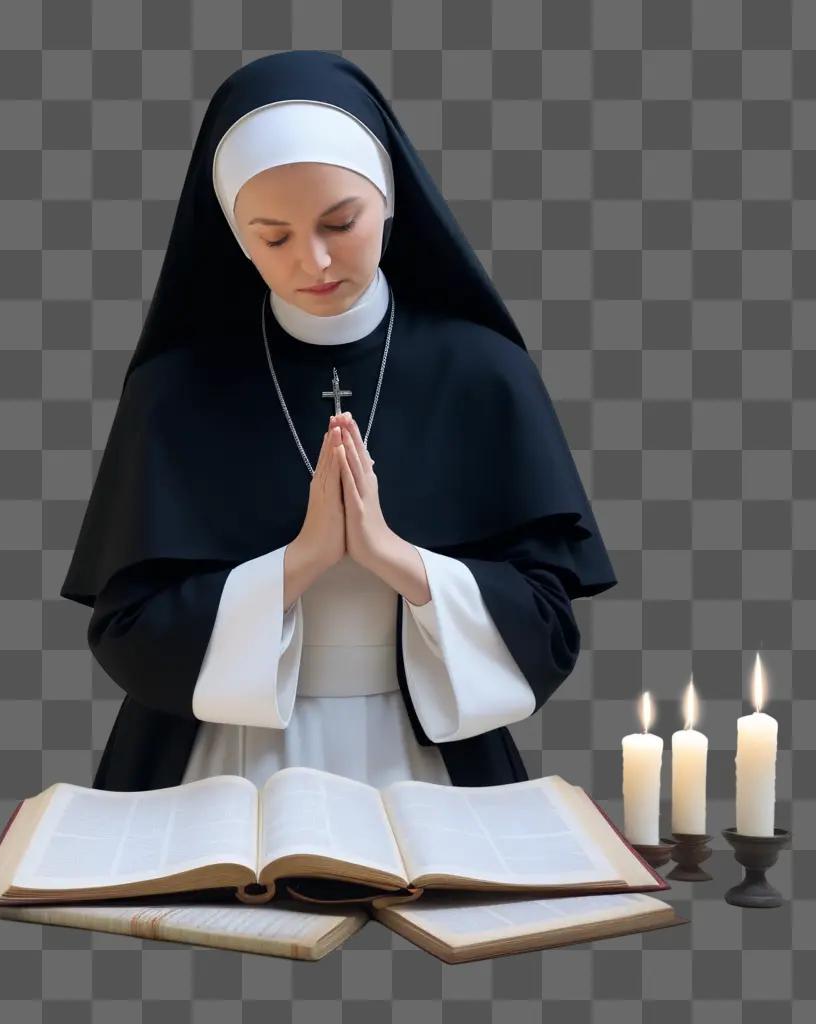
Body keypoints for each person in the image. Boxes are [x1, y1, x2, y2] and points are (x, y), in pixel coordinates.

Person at [60, 50, 618, 794]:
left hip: (433, 754)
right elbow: (131, 633)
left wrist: (394, 558)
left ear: (388, 198)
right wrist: (303, 560)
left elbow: (546, 628)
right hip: (221, 758)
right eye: (273, 236)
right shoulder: (176, 390)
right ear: (233, 233)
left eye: (340, 221)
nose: (313, 261)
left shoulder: (484, 374)